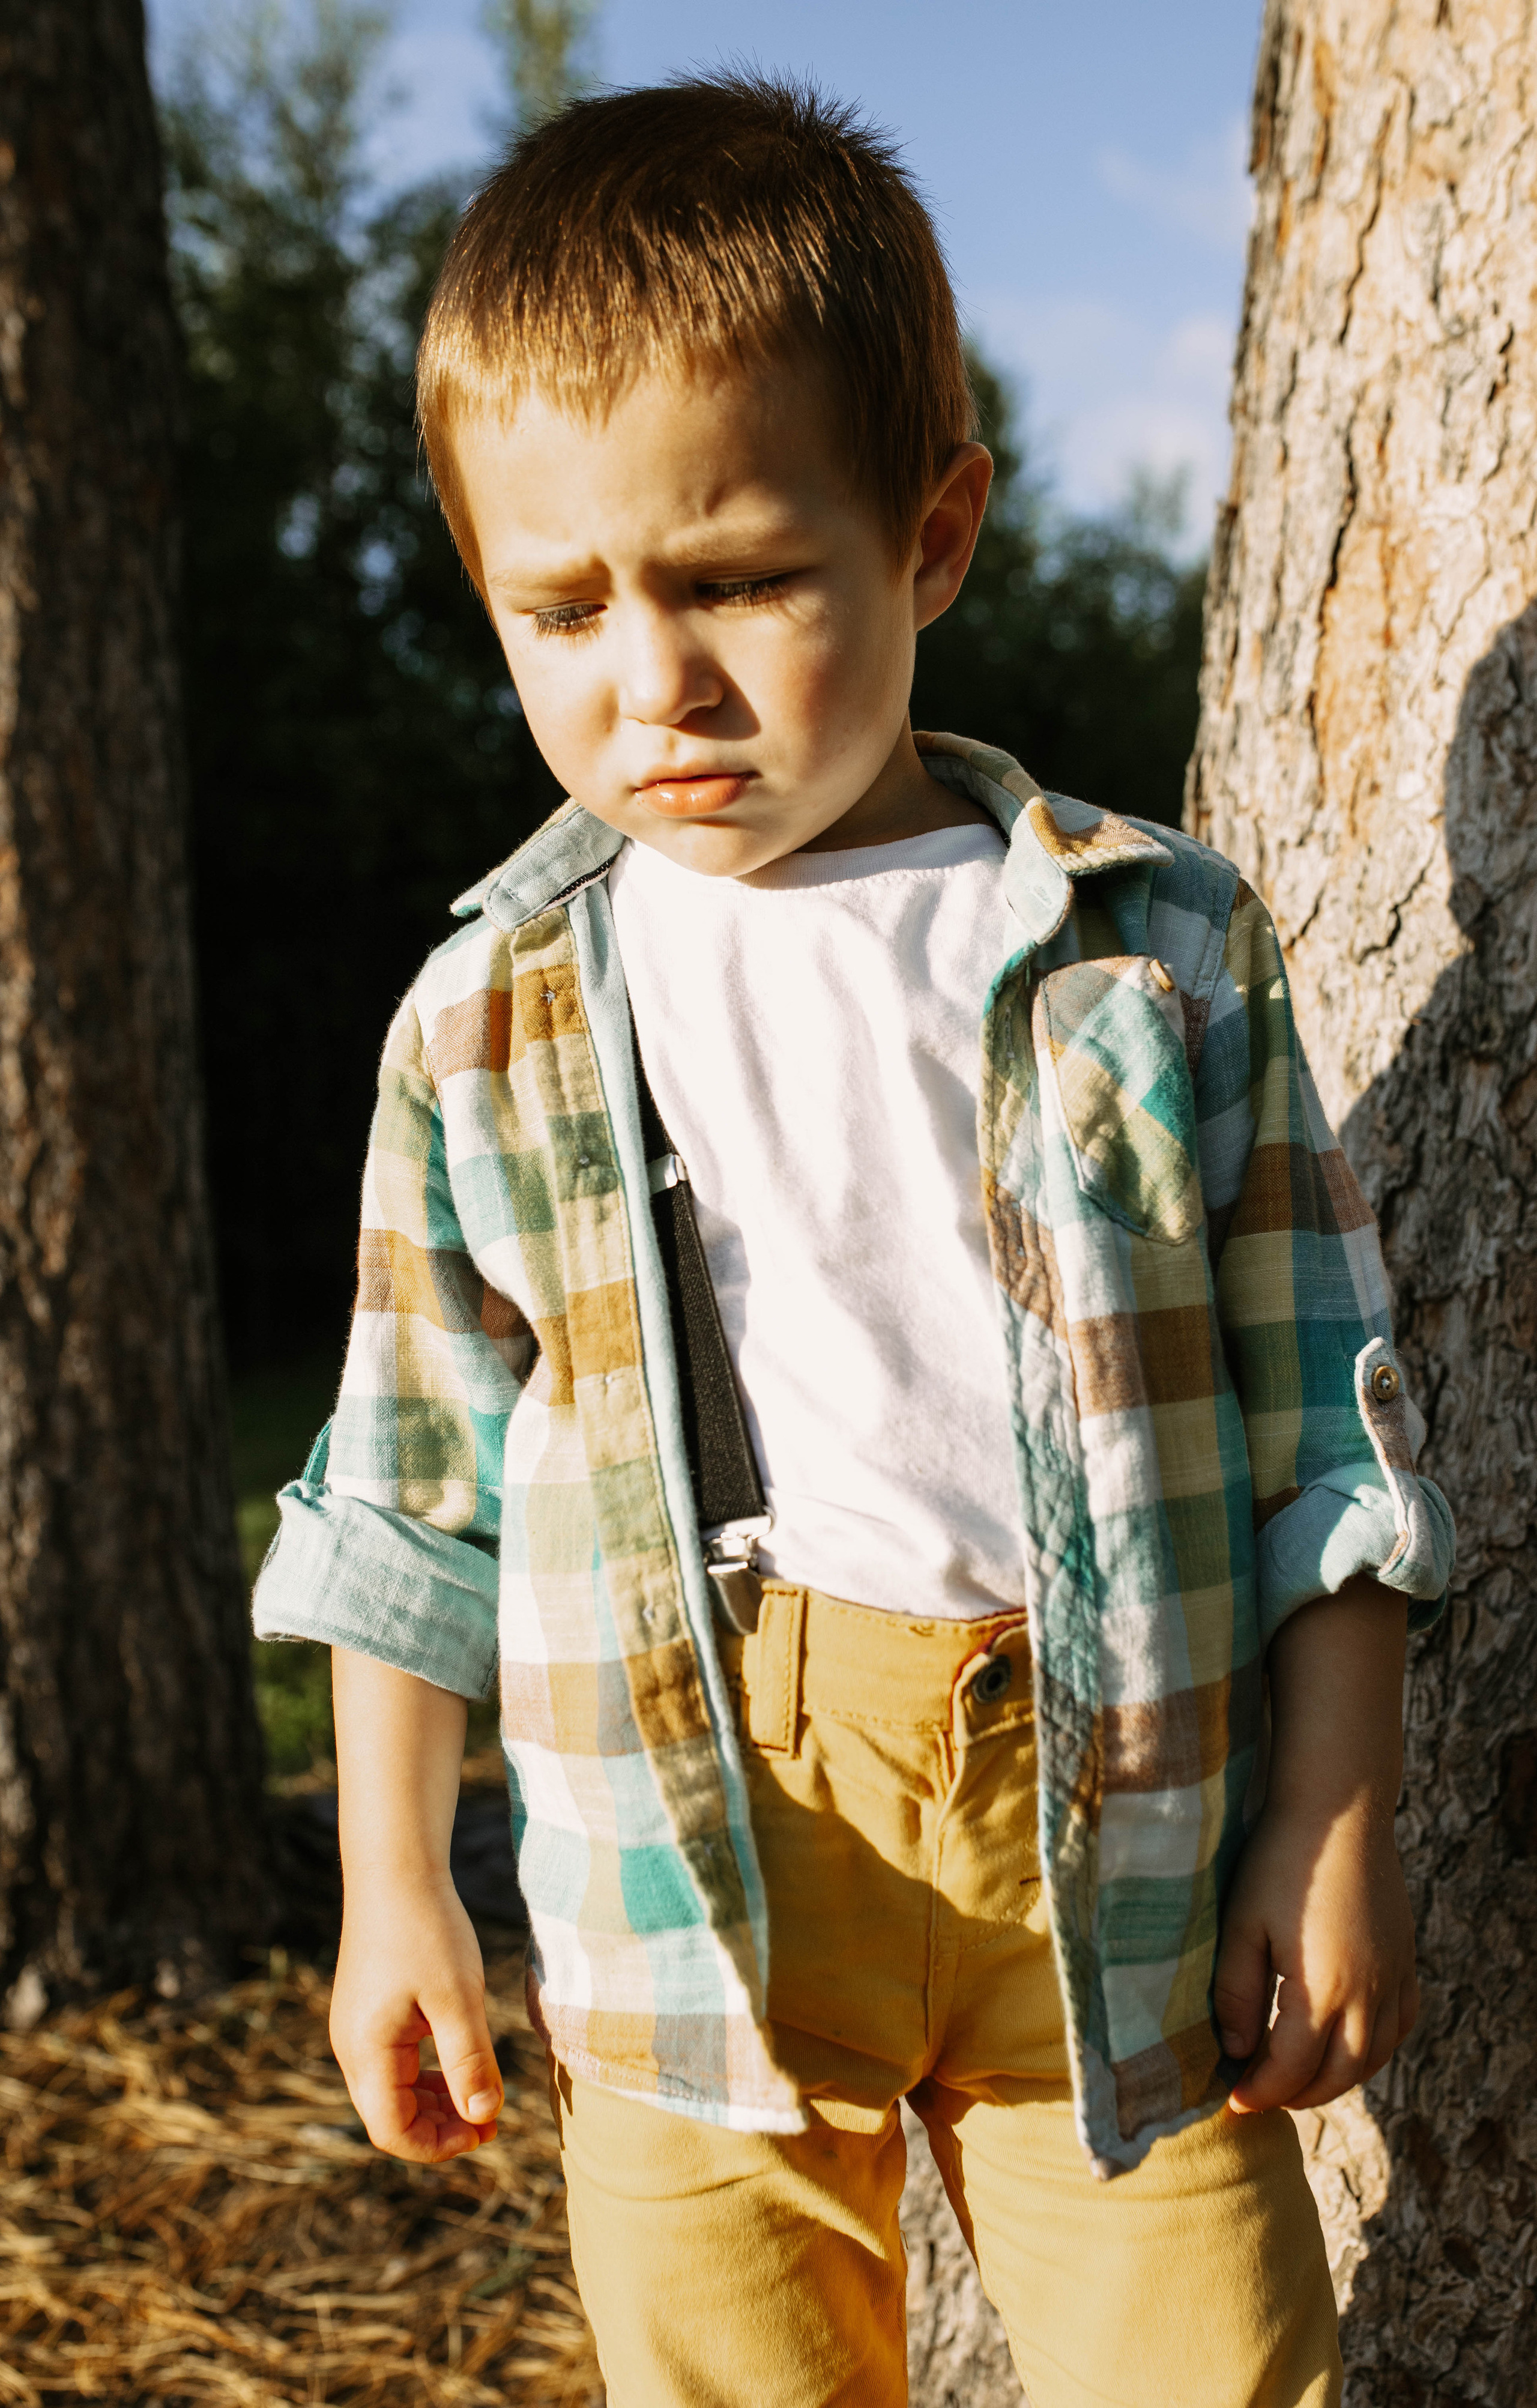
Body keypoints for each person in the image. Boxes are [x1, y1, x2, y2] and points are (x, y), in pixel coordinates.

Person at [253, 71, 1454, 2408]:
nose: (654, 680)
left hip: (1105, 1841)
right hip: (687, 1851)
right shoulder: (488, 1015)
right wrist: (392, 1875)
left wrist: (1332, 1809)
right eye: (562, 605)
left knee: (1218, 2368)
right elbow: (410, 1481)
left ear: (930, 535)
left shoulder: (1155, 948)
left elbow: (1327, 1415)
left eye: (736, 581)